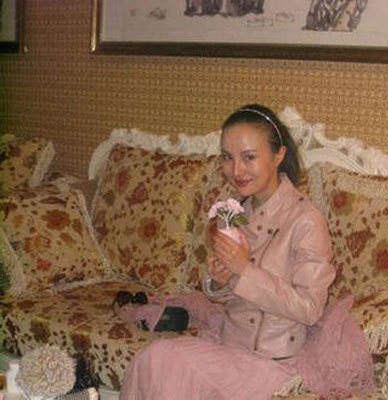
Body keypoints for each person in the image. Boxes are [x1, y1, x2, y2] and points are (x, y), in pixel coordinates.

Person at [120, 104, 337, 399]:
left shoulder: (306, 221)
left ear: (278, 155)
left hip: (272, 361)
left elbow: (309, 309)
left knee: (162, 360)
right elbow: (234, 297)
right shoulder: (236, 210)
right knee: (152, 360)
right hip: (230, 345)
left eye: (249, 157)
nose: (236, 170)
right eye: (227, 157)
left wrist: (244, 270)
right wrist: (222, 280)